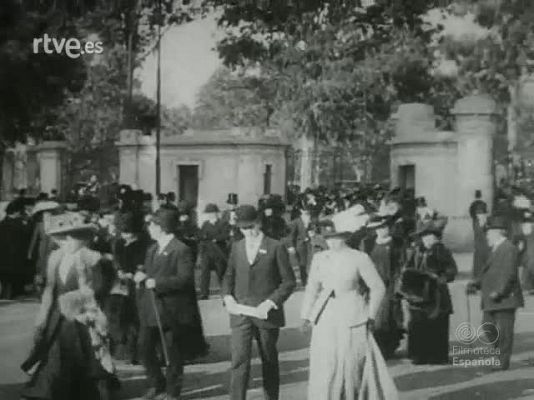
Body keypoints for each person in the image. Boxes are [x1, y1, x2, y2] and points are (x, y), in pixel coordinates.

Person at [20, 211, 118, 400]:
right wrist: (46, 310)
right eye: (64, 238)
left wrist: (82, 302)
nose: (67, 242)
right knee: (54, 351)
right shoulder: (55, 258)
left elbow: (100, 287)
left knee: (85, 352)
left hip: (82, 314)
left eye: (72, 238)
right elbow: (51, 288)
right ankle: (49, 389)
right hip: (57, 314)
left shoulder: (93, 259)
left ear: (82, 239)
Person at [300, 227, 386, 400]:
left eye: (336, 237)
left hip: (352, 314)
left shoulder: (359, 258)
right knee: (326, 361)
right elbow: (312, 288)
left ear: (345, 237)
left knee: (350, 362)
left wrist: (370, 315)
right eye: (328, 238)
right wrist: (306, 315)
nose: (332, 242)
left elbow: (378, 287)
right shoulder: (320, 258)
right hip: (325, 315)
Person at [222, 205, 296, 400]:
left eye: (249, 227)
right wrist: (227, 297)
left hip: (266, 313)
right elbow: (228, 276)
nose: (246, 232)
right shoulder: (237, 247)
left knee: (269, 359)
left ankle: (271, 397)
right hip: (240, 313)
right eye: (242, 228)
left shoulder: (275, 246)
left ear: (259, 223)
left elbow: (288, 281)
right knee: (239, 360)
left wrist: (270, 302)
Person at [136, 208, 208, 400]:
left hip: (172, 310)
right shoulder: (152, 248)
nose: (149, 228)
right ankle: (157, 384)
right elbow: (150, 272)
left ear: (162, 227)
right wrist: (143, 275)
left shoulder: (180, 249)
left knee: (172, 354)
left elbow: (185, 279)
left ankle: (172, 392)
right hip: (152, 309)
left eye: (152, 224)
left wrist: (158, 283)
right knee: (144, 348)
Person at [467, 216, 524, 371]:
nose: (486, 236)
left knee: (505, 333)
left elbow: (510, 274)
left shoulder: (509, 248)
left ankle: (502, 362)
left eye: (489, 233)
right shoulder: (495, 249)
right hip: (491, 298)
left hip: (505, 298)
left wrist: (499, 291)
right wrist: (475, 283)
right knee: (487, 327)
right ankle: (501, 354)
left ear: (498, 233)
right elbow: (488, 273)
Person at [402, 222, 457, 365]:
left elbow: (451, 271)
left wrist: (439, 278)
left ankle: (437, 356)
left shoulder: (442, 251)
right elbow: (407, 268)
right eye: (423, 236)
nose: (426, 239)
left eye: (429, 236)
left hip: (436, 293)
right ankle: (419, 355)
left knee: (436, 322)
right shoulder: (416, 251)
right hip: (418, 292)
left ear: (436, 237)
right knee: (418, 322)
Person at [108, 211, 151, 364]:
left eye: (129, 233)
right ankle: (123, 351)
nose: (126, 236)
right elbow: (115, 260)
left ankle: (136, 353)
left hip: (138, 285)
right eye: (124, 232)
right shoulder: (118, 243)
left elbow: (145, 263)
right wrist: (119, 270)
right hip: (121, 285)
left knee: (137, 319)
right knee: (121, 319)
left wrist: (136, 273)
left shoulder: (145, 244)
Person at [366, 215, 405, 359]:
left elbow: (402, 263)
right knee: (375, 315)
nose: (383, 230)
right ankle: (377, 347)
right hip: (373, 284)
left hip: (391, 284)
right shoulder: (368, 243)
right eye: (379, 228)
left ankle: (390, 347)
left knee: (391, 315)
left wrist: (398, 282)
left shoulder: (398, 243)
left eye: (385, 227)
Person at [0, 199, 31, 299]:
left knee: (4, 279)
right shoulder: (20, 225)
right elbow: (27, 239)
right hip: (16, 257)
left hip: (3, 257)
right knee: (13, 279)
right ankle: (11, 294)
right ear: (17, 212)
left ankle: (5, 294)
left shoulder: (2, 224)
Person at [198, 203, 230, 299]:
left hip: (219, 253)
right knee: (204, 274)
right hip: (207, 253)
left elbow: (225, 235)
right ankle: (204, 293)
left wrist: (215, 239)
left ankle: (225, 293)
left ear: (216, 213)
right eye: (209, 213)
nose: (210, 215)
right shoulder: (205, 224)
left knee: (221, 273)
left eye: (212, 213)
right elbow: (202, 236)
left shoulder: (223, 223)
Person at [287, 207, 312, 286]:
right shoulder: (296, 222)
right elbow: (291, 235)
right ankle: (304, 281)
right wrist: (291, 246)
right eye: (305, 209)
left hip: (311, 244)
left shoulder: (312, 219)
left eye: (308, 209)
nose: (307, 211)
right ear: (301, 211)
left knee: (312, 262)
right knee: (302, 264)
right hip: (300, 245)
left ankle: (313, 280)